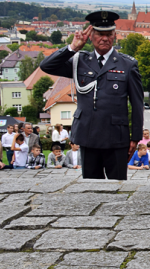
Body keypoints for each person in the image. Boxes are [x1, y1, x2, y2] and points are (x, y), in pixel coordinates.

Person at [40, 11, 143, 179]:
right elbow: (46, 66)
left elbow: (137, 104)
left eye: (108, 34)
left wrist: (136, 137)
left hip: (116, 136)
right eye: (99, 34)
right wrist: (72, 48)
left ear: (114, 36)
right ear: (91, 36)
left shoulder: (128, 64)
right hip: (88, 134)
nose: (104, 38)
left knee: (117, 187)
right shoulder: (79, 61)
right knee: (90, 187)